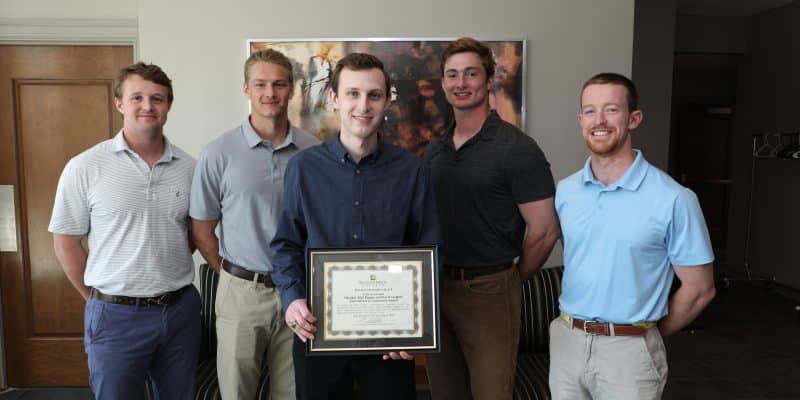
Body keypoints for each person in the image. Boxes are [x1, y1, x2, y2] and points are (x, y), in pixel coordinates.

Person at [270, 52, 441, 400]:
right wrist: (292, 299)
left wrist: (416, 326)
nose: (363, 105)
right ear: (334, 98)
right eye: (352, 93)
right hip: (318, 331)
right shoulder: (303, 168)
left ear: (386, 101)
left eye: (374, 95)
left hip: (390, 337)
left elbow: (428, 247)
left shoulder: (412, 171)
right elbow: (286, 244)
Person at [550, 72, 716, 399]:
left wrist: (645, 335)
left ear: (634, 118)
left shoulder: (673, 198)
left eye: (611, 109)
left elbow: (700, 290)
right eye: (590, 110)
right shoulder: (566, 191)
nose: (599, 120)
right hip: (567, 340)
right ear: (580, 120)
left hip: (629, 352)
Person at [49, 62, 200, 400]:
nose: (147, 106)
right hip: (114, 315)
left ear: (169, 106)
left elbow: (192, 234)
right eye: (137, 98)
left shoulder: (191, 168)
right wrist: (97, 299)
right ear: (119, 103)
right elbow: (66, 242)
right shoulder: (85, 166)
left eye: (157, 99)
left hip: (179, 313)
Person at [423, 37, 560, 400]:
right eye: (452, 75)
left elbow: (545, 231)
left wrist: (511, 282)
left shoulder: (517, 149)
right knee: (445, 393)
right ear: (443, 83)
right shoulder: (434, 150)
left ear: (489, 80)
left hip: (489, 291)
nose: (461, 83)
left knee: (492, 394)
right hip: (436, 290)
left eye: (471, 73)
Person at [190, 49, 319, 400]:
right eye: (260, 84)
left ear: (292, 89)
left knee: (293, 392)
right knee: (236, 391)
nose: (270, 93)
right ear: (246, 89)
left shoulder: (313, 152)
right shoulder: (219, 153)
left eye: (279, 84)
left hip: (298, 293)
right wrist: (231, 276)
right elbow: (201, 229)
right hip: (241, 292)